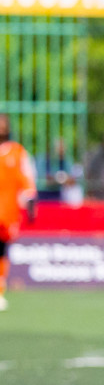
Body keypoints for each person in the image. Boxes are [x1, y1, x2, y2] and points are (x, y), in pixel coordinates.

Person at [0, 115, 38, 312]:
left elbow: (27, 181)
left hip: (6, 212)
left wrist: (29, 200)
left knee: (1, 251)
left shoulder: (17, 152)